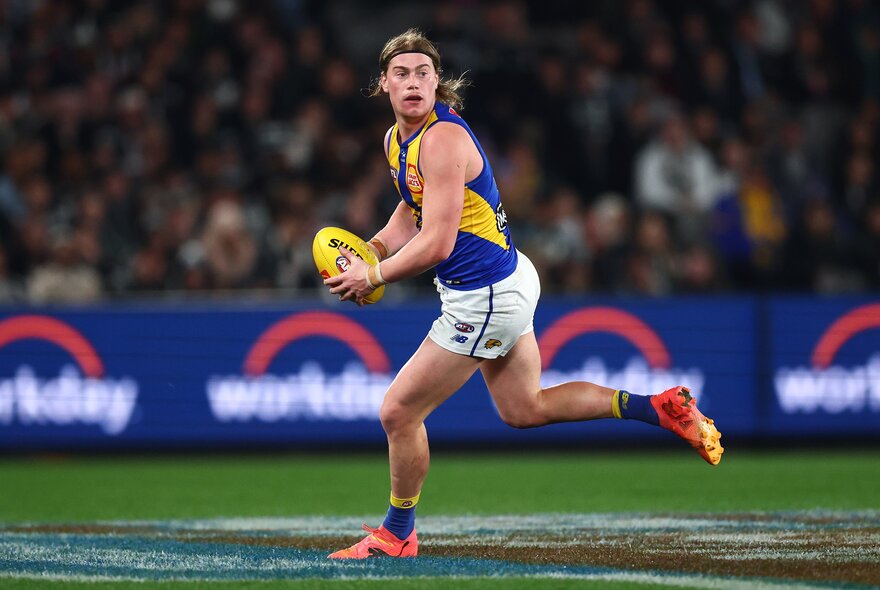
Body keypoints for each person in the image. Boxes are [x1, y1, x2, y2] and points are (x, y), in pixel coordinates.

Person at [323, 29, 723, 560]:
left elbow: (438, 243)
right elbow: (412, 206)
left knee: (398, 413)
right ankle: (658, 408)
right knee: (524, 409)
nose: (413, 82)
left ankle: (397, 534)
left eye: (423, 72)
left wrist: (372, 276)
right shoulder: (397, 142)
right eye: (402, 73)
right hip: (508, 280)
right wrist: (373, 246)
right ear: (384, 85)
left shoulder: (441, 140)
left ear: (436, 82)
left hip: (484, 297)